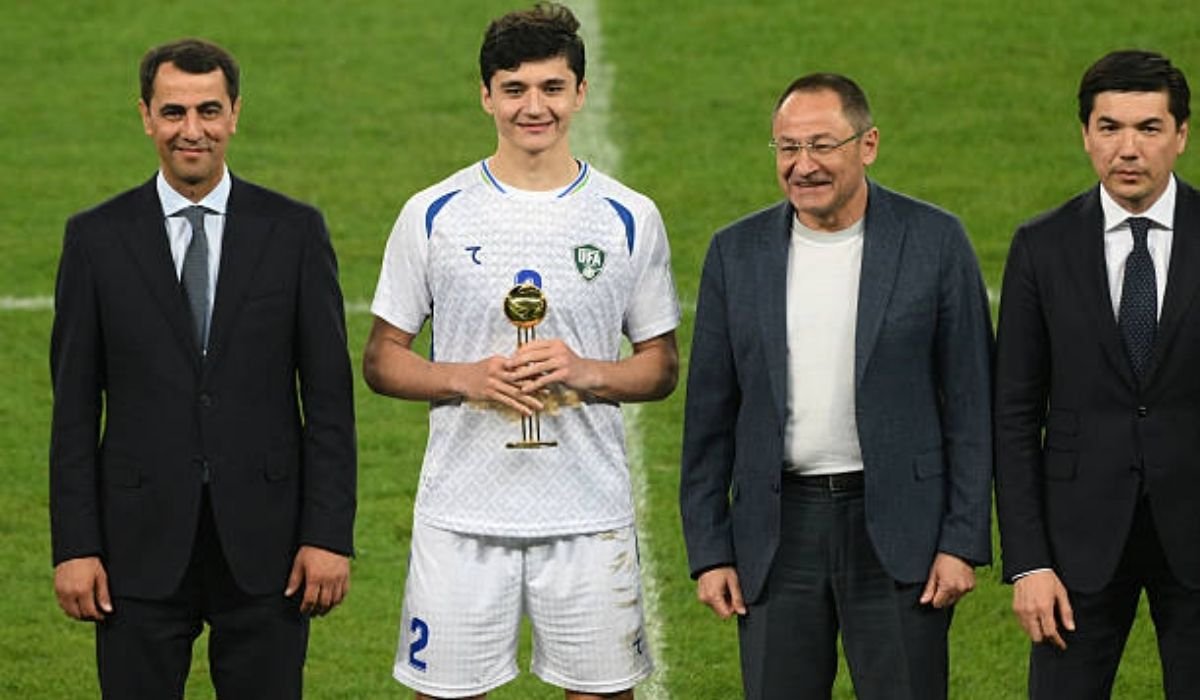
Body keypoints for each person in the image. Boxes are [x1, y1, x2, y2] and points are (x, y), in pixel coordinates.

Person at [362, 4, 679, 699]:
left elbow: (660, 366)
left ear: (580, 92)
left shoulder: (629, 216)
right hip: (461, 514)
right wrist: (465, 378)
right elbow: (382, 358)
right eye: (514, 89)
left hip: (589, 514)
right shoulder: (433, 213)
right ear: (486, 96)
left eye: (551, 88)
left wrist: (587, 372)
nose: (534, 107)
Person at [49, 38, 357, 698]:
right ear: (146, 116)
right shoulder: (96, 238)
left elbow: (330, 401)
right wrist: (75, 546)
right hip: (136, 546)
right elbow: (72, 410)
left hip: (269, 548)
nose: (192, 130)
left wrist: (328, 536)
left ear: (235, 114)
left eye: (209, 110)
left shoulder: (295, 231)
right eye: (174, 112)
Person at [679, 73, 993, 699]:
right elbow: (709, 415)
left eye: (822, 145)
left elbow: (972, 403)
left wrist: (961, 541)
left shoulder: (935, 241)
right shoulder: (735, 253)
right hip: (778, 535)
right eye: (788, 148)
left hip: (901, 531)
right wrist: (711, 550)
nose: (804, 165)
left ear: (867, 145)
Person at [995, 49, 1198, 699]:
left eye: (1148, 128)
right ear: (1086, 135)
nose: (1127, 149)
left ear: (1181, 135)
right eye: (1110, 127)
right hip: (1075, 544)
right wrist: (1028, 562)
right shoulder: (1041, 245)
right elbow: (1013, 415)